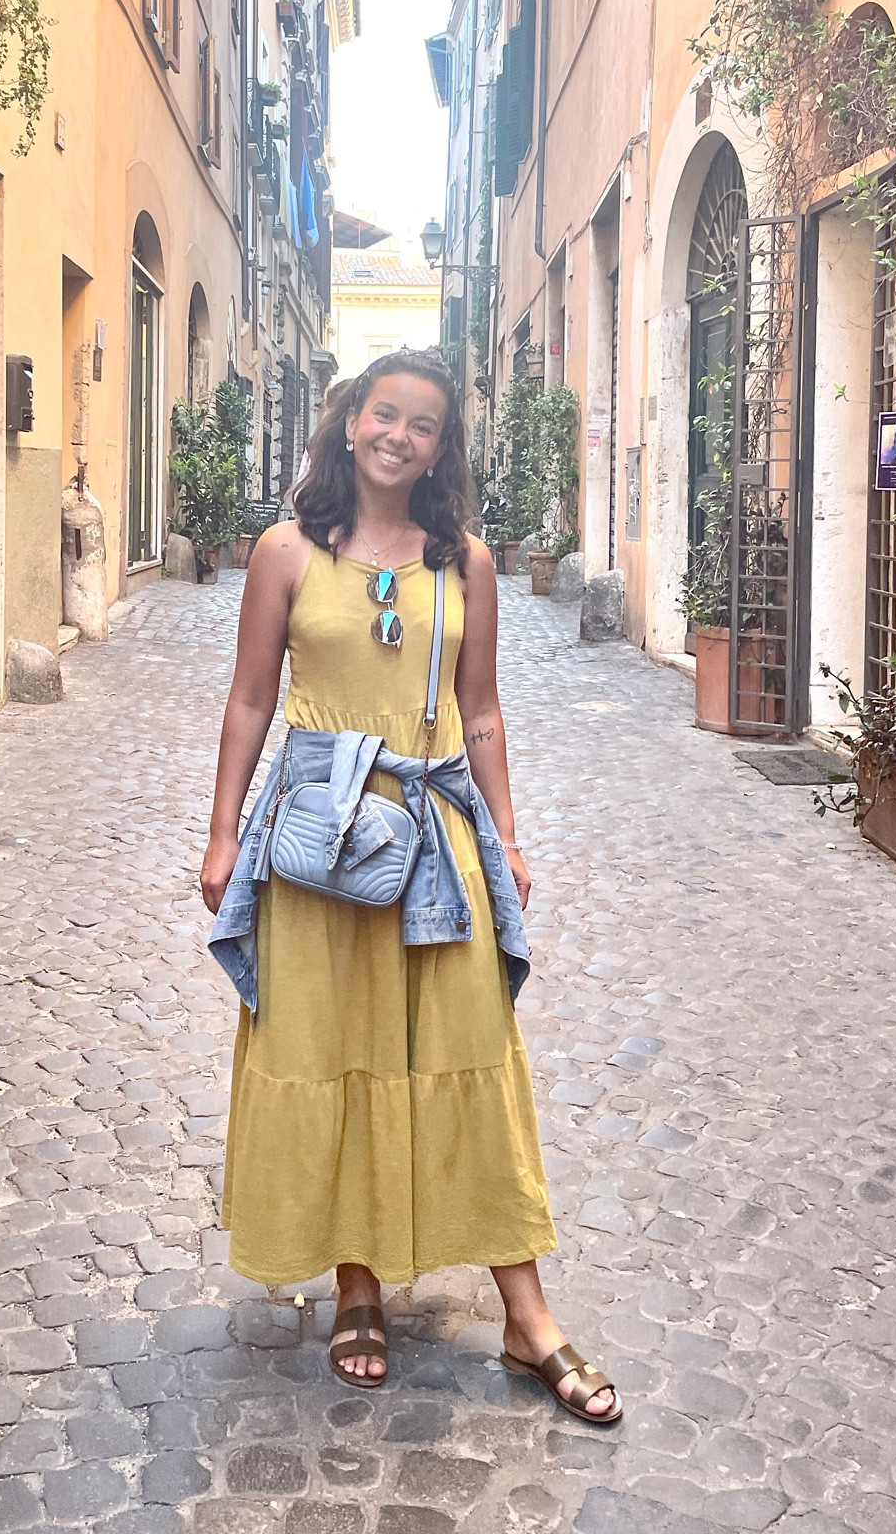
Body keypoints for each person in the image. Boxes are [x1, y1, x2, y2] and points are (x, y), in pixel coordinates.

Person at [201, 349, 620, 1424]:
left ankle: (528, 1317)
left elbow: (480, 711)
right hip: (318, 840)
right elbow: (250, 700)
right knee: (332, 1046)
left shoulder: (464, 562)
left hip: (435, 830)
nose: (398, 435)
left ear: (441, 448)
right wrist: (222, 834)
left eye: (422, 424)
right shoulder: (285, 551)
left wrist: (506, 837)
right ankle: (358, 1287)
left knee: (470, 1050)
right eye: (384, 414)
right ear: (351, 422)